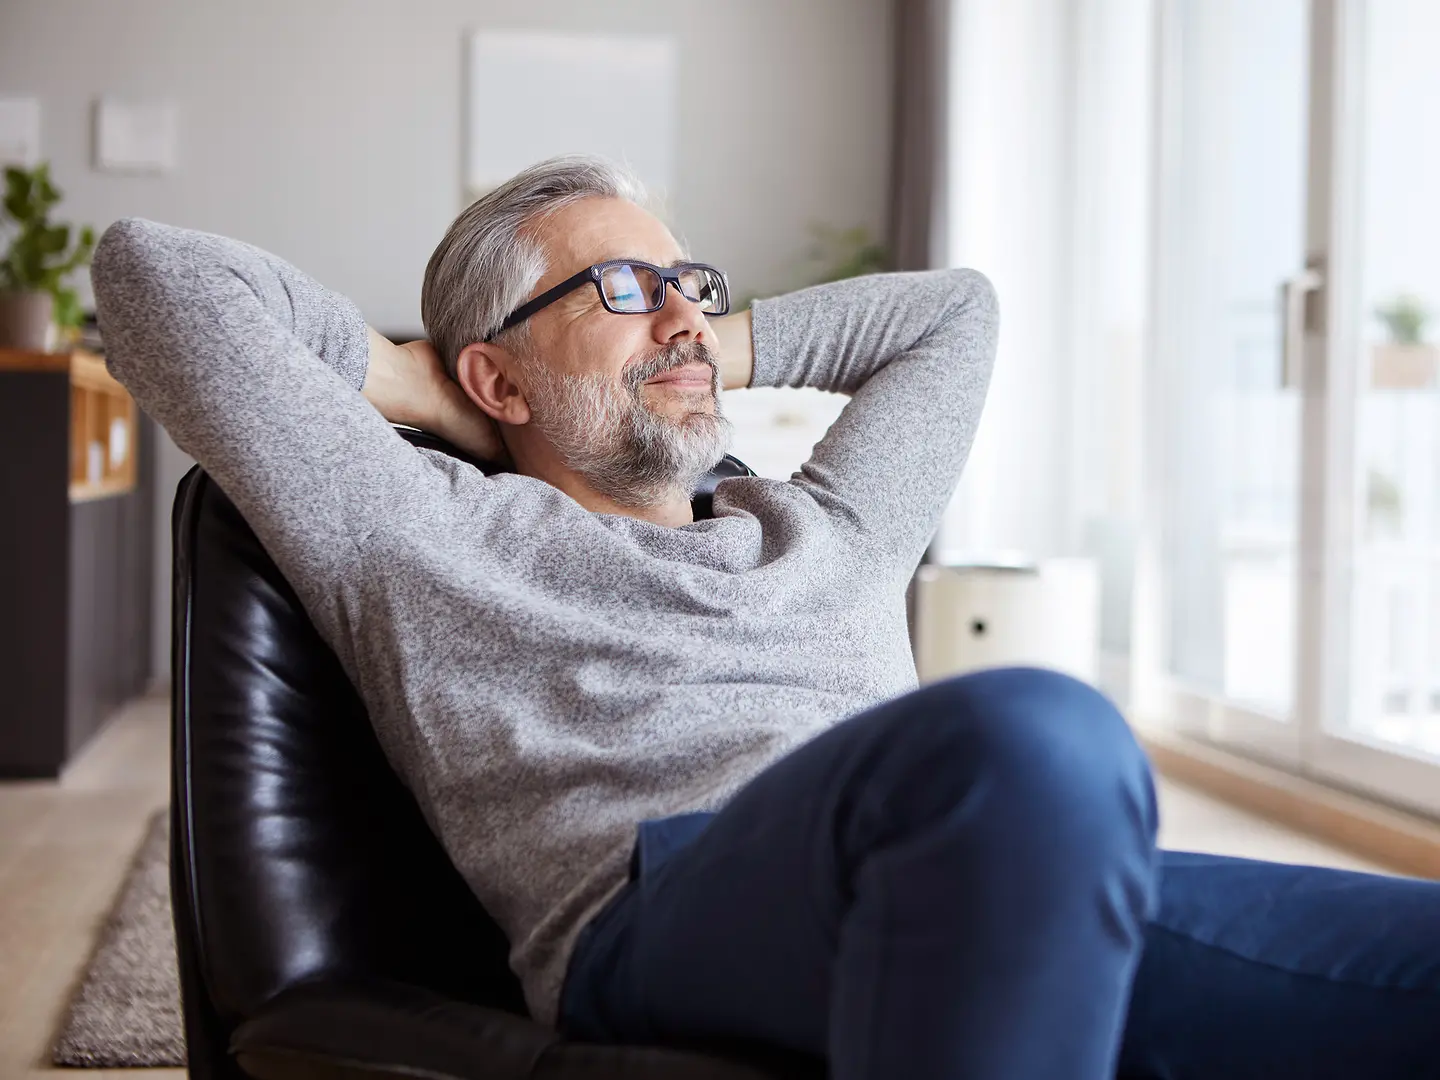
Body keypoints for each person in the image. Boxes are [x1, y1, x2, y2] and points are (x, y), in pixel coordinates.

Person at [92, 155, 1440, 1080]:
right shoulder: (425, 531)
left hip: (986, 859)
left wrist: (690, 343)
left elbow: (953, 314)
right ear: (498, 377)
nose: (683, 316)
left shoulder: (827, 526)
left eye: (692, 286)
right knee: (1040, 735)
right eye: (624, 291)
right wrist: (430, 387)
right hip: (665, 899)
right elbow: (153, 275)